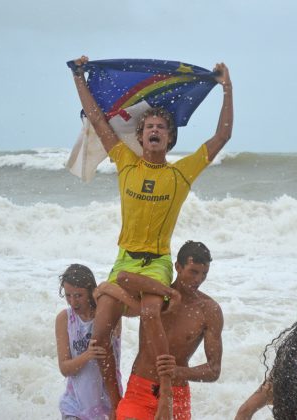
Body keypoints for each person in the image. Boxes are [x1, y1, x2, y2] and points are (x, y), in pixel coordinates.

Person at [71, 54, 233, 416]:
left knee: (149, 313)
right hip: (125, 258)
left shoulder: (181, 174)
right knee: (98, 337)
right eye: (149, 127)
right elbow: (98, 119)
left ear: (170, 137)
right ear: (141, 136)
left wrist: (226, 87)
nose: (155, 130)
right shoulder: (125, 161)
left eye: (162, 127)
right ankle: (116, 401)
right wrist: (78, 77)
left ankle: (165, 398)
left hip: (157, 261)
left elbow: (223, 136)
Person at [94, 241, 223, 420]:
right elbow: (124, 277)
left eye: (204, 274)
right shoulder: (155, 295)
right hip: (140, 389)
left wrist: (177, 371)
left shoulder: (209, 310)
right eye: (193, 272)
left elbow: (213, 370)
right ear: (178, 266)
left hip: (177, 395)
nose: (198, 280)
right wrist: (170, 293)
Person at [55, 264, 122, 420]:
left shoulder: (108, 315)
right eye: (68, 295)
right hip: (75, 406)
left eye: (79, 295)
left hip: (109, 402)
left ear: (91, 291)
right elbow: (65, 368)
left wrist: (102, 290)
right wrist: (88, 355)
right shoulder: (65, 319)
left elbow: (119, 294)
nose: (73, 302)